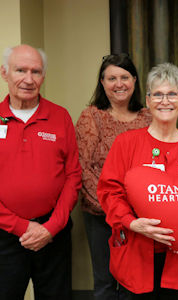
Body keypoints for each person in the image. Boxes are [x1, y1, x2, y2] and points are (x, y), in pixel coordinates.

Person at [97, 62, 178, 300]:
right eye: (157, 94)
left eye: (171, 94)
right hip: (135, 253)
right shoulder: (126, 144)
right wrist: (130, 222)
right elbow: (109, 192)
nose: (165, 101)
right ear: (147, 100)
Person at [0, 45, 81, 300]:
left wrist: (51, 227)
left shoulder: (60, 116)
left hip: (53, 234)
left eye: (36, 71)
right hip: (4, 235)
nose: (28, 78)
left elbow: (73, 176)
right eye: (20, 70)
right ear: (4, 73)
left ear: (43, 77)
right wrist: (21, 226)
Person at [75, 53, 152, 300]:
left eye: (124, 77)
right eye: (112, 78)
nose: (119, 84)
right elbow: (83, 167)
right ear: (102, 82)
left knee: (135, 281)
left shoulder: (148, 117)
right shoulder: (92, 116)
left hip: (140, 217)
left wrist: (133, 214)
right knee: (105, 280)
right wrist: (115, 210)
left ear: (134, 80)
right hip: (101, 215)